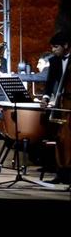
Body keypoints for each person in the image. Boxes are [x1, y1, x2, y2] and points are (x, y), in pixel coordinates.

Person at [42, 32, 71, 184]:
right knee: (60, 137)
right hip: (61, 103)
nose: (53, 50)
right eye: (52, 47)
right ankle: (61, 173)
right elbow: (49, 83)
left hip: (69, 102)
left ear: (66, 46)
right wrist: (46, 98)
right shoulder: (53, 61)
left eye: (55, 47)